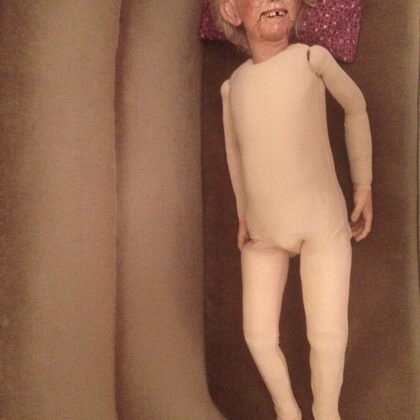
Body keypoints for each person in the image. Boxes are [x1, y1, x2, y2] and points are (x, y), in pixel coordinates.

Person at [210, 0, 373, 419]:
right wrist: (243, 214)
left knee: (328, 335)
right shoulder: (233, 87)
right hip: (263, 231)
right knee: (257, 334)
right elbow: (235, 155)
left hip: (322, 222)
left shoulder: (310, 59)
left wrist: (363, 184)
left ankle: (327, 412)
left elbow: (355, 106)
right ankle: (287, 410)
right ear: (231, 11)